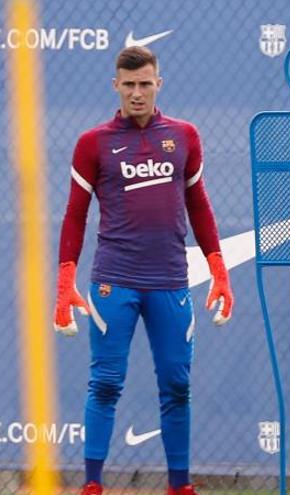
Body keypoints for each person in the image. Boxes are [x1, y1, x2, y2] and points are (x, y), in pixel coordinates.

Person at [52, 46, 234, 495]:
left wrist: (218, 267)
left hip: (171, 280)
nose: (137, 93)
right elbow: (75, 215)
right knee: (106, 382)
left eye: (145, 83)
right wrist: (64, 280)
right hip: (114, 280)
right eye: (129, 84)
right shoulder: (92, 143)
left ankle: (179, 486)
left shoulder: (185, 136)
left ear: (159, 84)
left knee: (176, 384)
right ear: (116, 85)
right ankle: (92, 484)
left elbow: (199, 203)